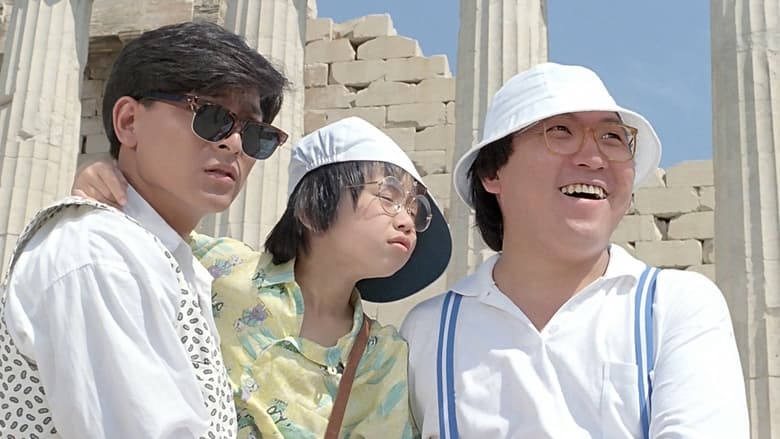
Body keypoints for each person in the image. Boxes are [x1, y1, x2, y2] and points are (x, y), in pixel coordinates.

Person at [400, 62, 749, 438]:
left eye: (612, 137)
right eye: (560, 132)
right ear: (492, 172)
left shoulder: (674, 306)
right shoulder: (428, 331)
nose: (593, 158)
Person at [72, 116, 452, 438]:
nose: (406, 220)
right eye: (388, 197)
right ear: (312, 206)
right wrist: (99, 183)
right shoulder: (215, 266)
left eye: (414, 209)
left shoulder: (384, 355)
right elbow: (125, 235)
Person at [0, 21, 287, 437]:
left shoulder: (163, 258)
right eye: (212, 117)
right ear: (129, 121)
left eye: (256, 134)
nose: (236, 145)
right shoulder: (100, 256)